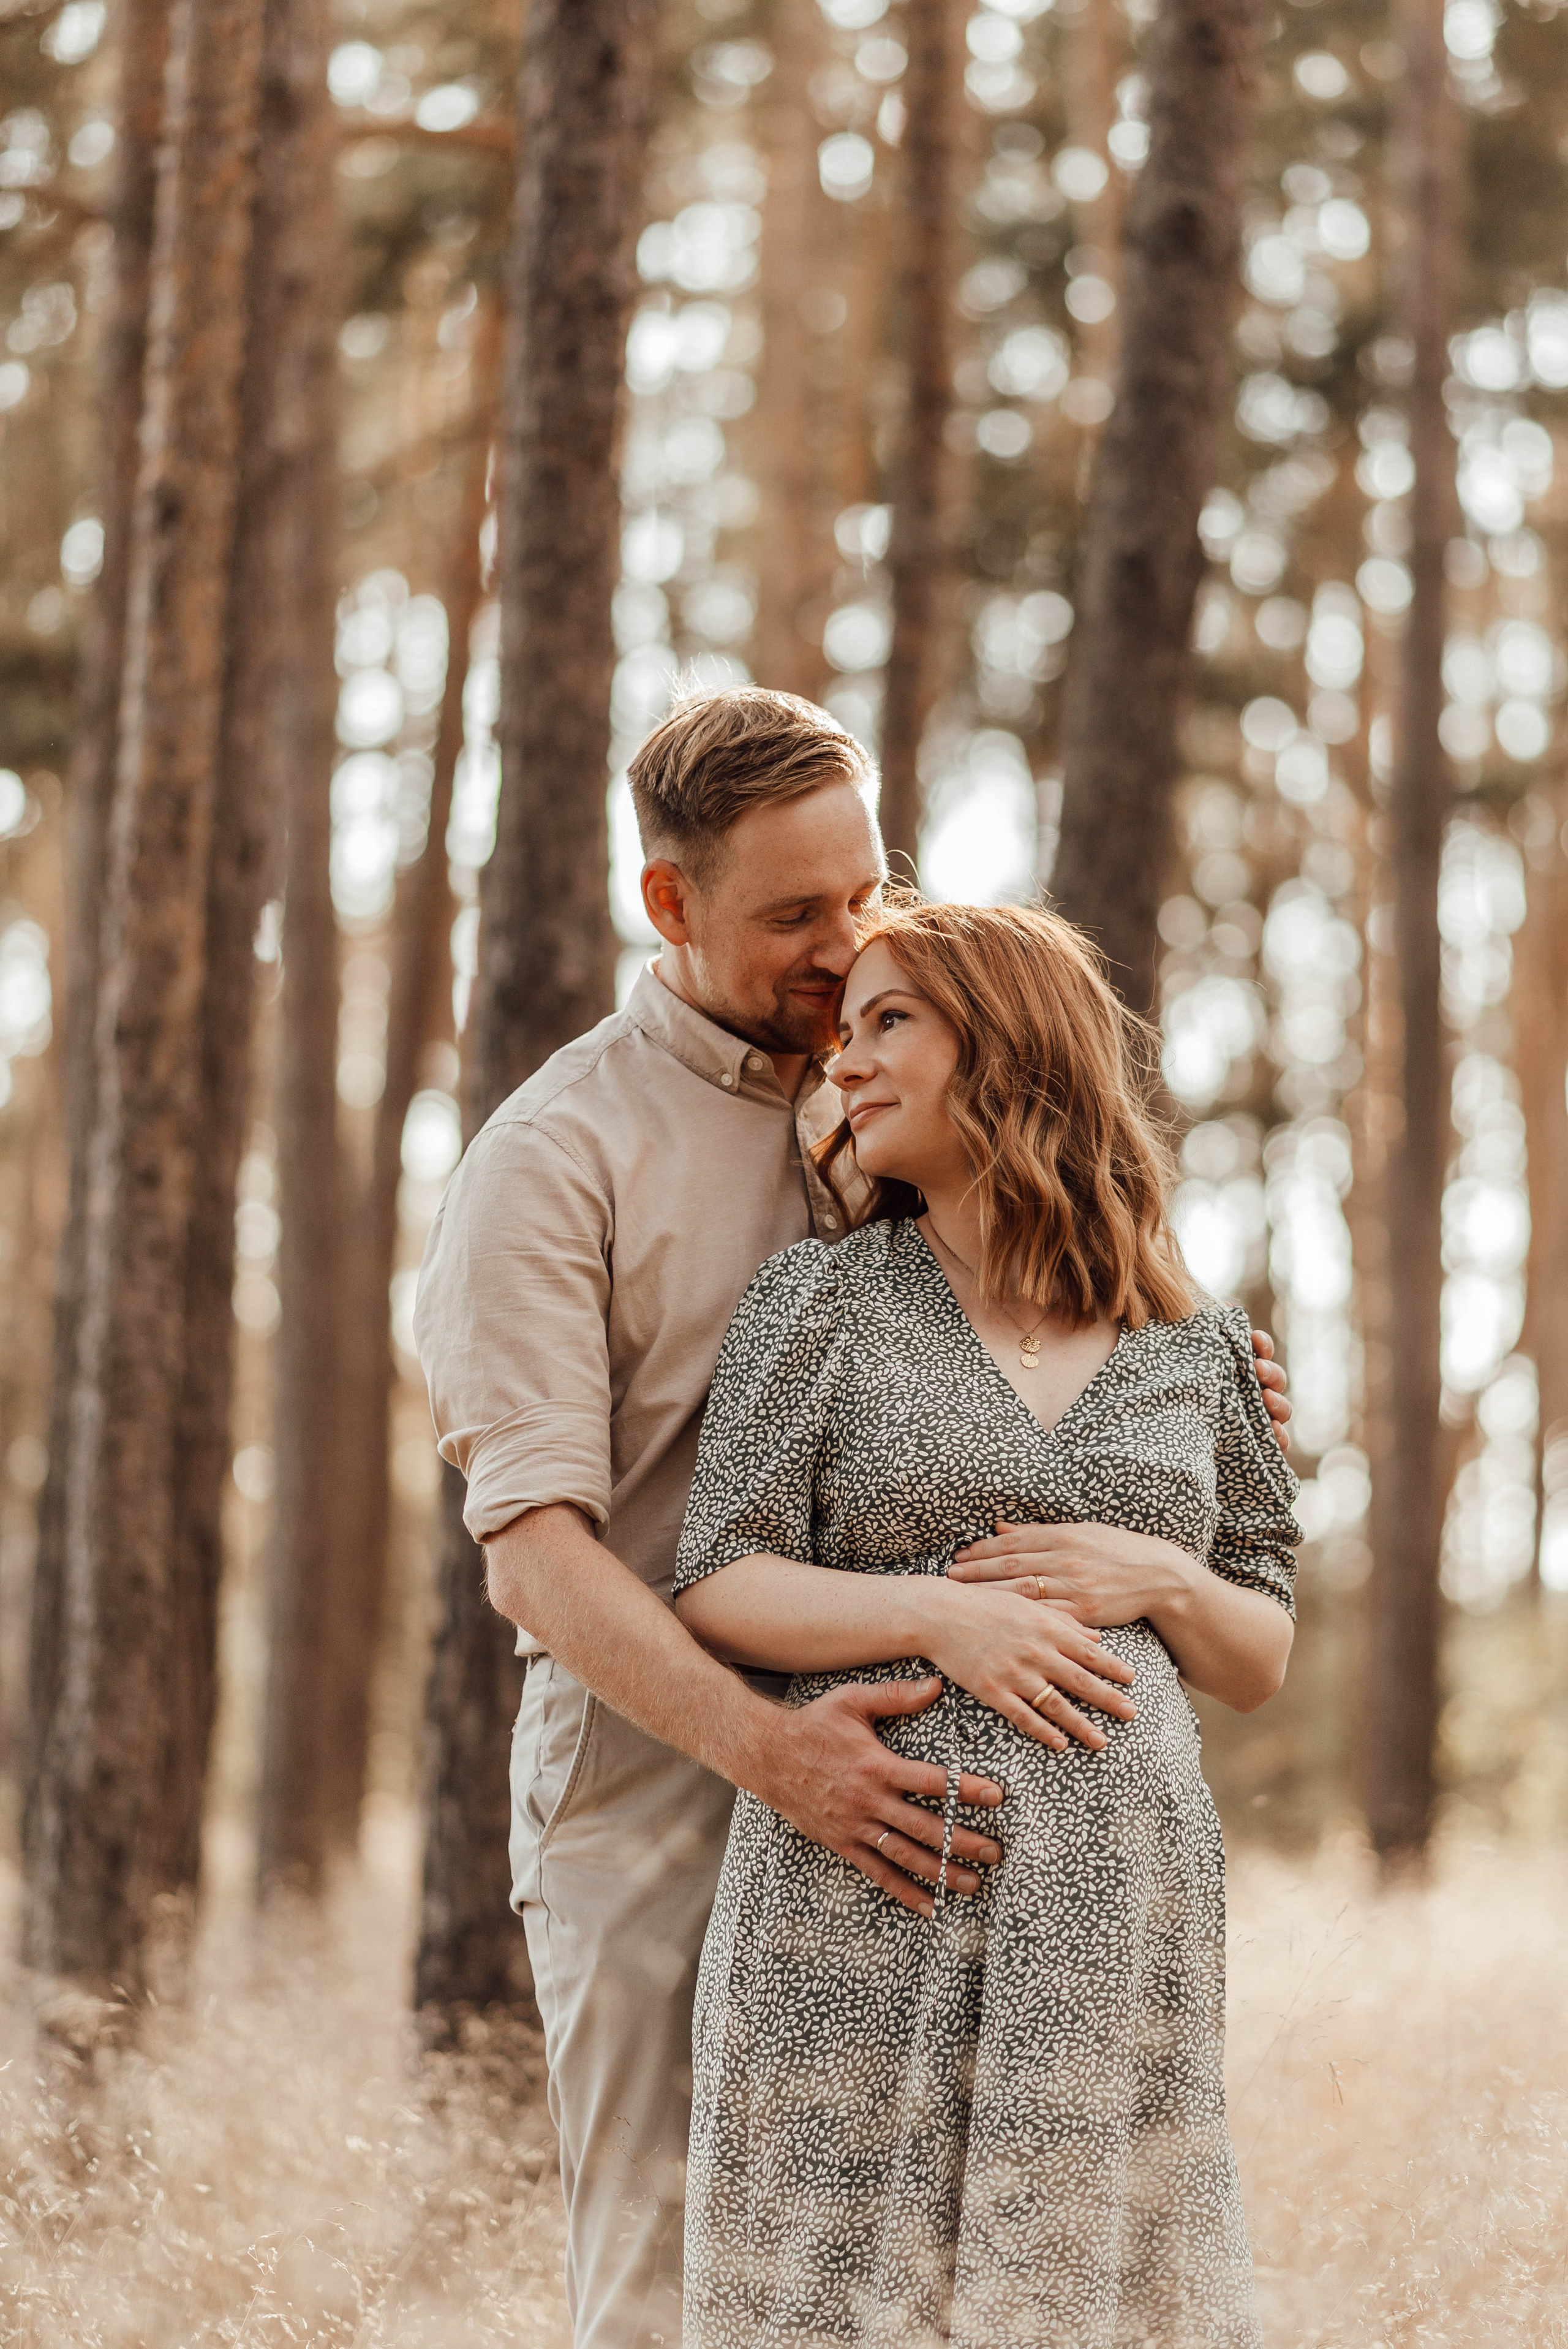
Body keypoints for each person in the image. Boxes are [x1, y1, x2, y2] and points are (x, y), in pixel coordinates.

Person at [414, 687, 1292, 2349]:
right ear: (669, 906)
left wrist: (1184, 1415)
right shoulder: (554, 1160)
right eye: (792, 916)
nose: (844, 946)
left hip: (923, 1806)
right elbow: (535, 1554)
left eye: (862, 892)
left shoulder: (867, 1090)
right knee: (688, 2290)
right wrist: (779, 1751)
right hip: (661, 1771)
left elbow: (1030, 1311)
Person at [672, 899, 1300, 2349]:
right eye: (842, 1034)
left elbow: (1255, 1650)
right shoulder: (817, 1303)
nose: (848, 1064)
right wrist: (940, 1623)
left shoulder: (1194, 1336)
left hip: (1111, 1925)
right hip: (865, 1893)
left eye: (889, 1022)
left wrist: (1156, 1580)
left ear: (1007, 1045)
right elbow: (718, 1576)